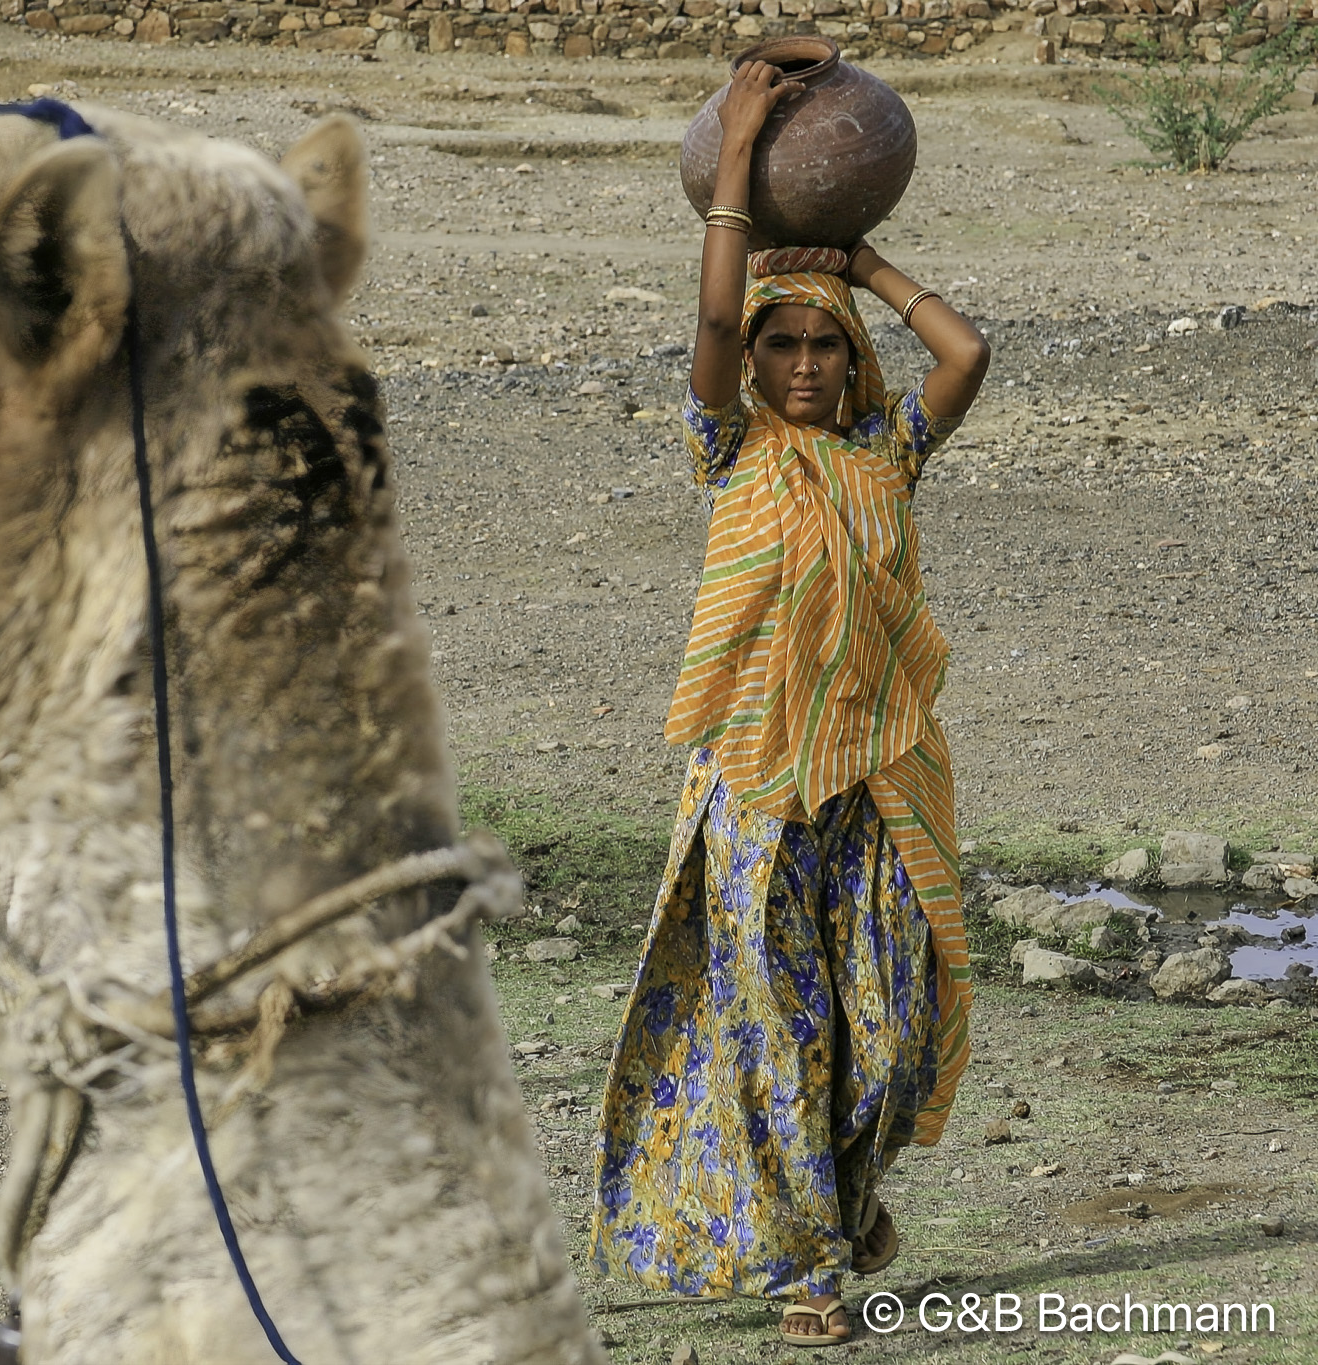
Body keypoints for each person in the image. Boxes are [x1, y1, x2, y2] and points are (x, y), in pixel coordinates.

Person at [588, 59, 991, 1349]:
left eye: (824, 345)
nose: (804, 362)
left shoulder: (888, 454)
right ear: (755, 359)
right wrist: (747, 157)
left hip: (876, 777)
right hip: (757, 782)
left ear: (850, 357)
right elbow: (706, 334)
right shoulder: (735, 448)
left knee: (884, 1031)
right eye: (783, 343)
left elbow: (966, 349)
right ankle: (811, 1264)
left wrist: (856, 261)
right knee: (776, 1032)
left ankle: (855, 1198)